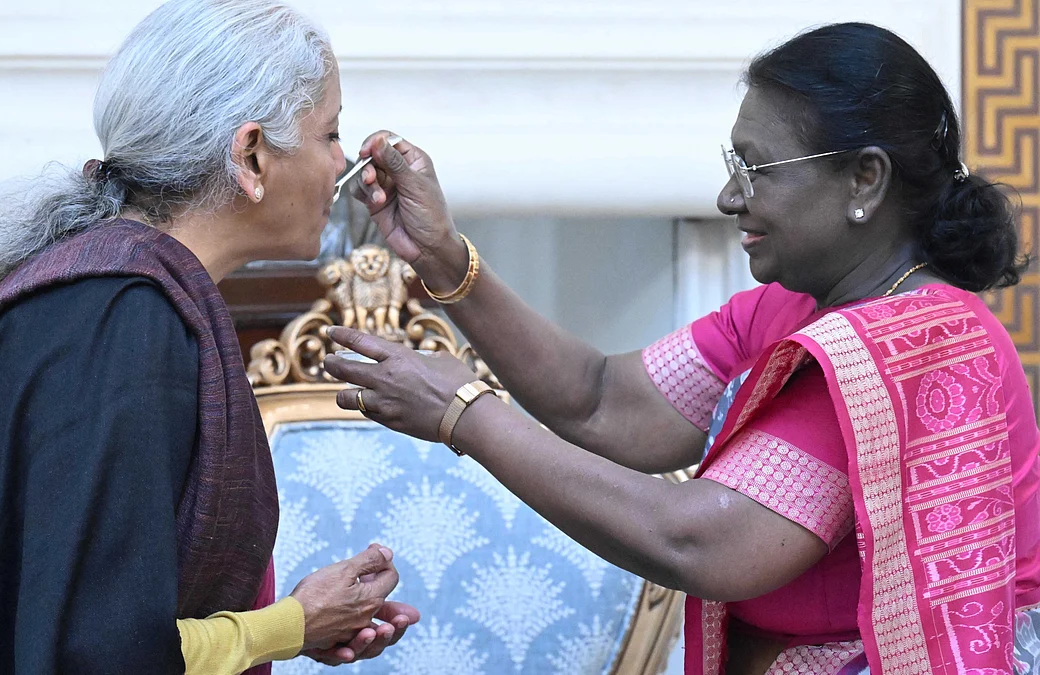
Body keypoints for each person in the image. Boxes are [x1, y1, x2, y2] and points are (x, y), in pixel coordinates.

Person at [322, 22, 1040, 675]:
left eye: (757, 168)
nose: (730, 196)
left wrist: (465, 414)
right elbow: (604, 399)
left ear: (864, 180)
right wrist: (444, 258)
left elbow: (698, 541)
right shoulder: (796, 304)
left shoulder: (919, 344)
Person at [0, 1, 419, 673]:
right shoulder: (123, 321)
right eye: (330, 134)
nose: (343, 163)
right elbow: (95, 654)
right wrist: (290, 624)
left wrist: (291, 623)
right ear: (252, 155)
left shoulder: (115, 295)